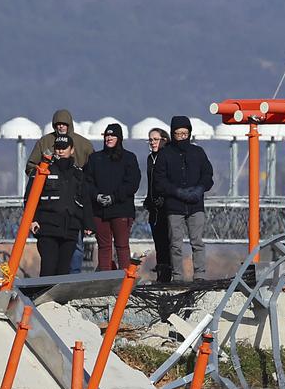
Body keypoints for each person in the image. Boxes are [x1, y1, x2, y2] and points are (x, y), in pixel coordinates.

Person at [26, 109, 94, 274]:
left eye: (64, 124)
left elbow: (86, 194)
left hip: (71, 223)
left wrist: (88, 223)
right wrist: (32, 219)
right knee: (49, 265)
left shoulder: (80, 160)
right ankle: (44, 296)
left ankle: (68, 290)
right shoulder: (44, 146)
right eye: (58, 124)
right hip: (48, 222)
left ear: (72, 150)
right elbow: (30, 193)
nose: (60, 151)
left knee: (69, 263)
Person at [153, 116, 214, 282]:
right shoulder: (165, 154)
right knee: (175, 243)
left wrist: (199, 189)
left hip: (196, 205)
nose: (181, 137)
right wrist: (177, 192)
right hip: (174, 205)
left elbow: (208, 175)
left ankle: (200, 275)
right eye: (178, 134)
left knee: (198, 242)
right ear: (173, 134)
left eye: (184, 134)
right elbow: (159, 180)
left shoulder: (198, 152)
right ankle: (178, 275)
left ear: (189, 134)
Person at [84, 123, 140, 271]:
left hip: (121, 209)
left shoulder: (129, 158)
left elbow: (132, 184)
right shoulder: (95, 158)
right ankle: (105, 279)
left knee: (121, 246)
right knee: (104, 247)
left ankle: (124, 280)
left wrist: (114, 197)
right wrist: (96, 196)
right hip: (99, 211)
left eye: (112, 135)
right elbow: (87, 182)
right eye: (107, 135)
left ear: (119, 138)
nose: (109, 138)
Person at [144, 128, 172, 282]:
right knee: (158, 242)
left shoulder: (167, 156)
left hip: (166, 207)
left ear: (164, 140)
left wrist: (164, 197)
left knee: (168, 242)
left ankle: (168, 274)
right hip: (154, 208)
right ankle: (161, 272)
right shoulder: (150, 158)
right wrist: (149, 199)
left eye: (156, 139)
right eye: (150, 140)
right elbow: (151, 182)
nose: (153, 142)